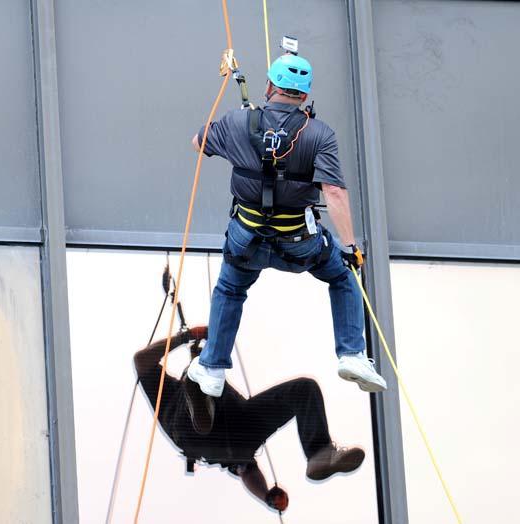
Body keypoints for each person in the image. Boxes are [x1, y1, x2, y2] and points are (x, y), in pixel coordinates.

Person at [188, 52, 387, 397]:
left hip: (245, 240)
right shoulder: (319, 134)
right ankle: (352, 353)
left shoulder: (239, 122)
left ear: (268, 86)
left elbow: (198, 142)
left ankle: (213, 367)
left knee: (230, 290)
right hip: (300, 243)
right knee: (342, 273)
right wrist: (351, 247)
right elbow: (335, 192)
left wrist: (234, 132)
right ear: (305, 96)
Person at [133, 326, 366, 512]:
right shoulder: (165, 392)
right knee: (199, 385)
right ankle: (199, 395)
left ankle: (319, 453)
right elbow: (141, 359)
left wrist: (266, 496)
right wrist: (185, 336)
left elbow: (247, 471)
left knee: (304, 389)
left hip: (235, 435)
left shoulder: (181, 394)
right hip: (198, 433)